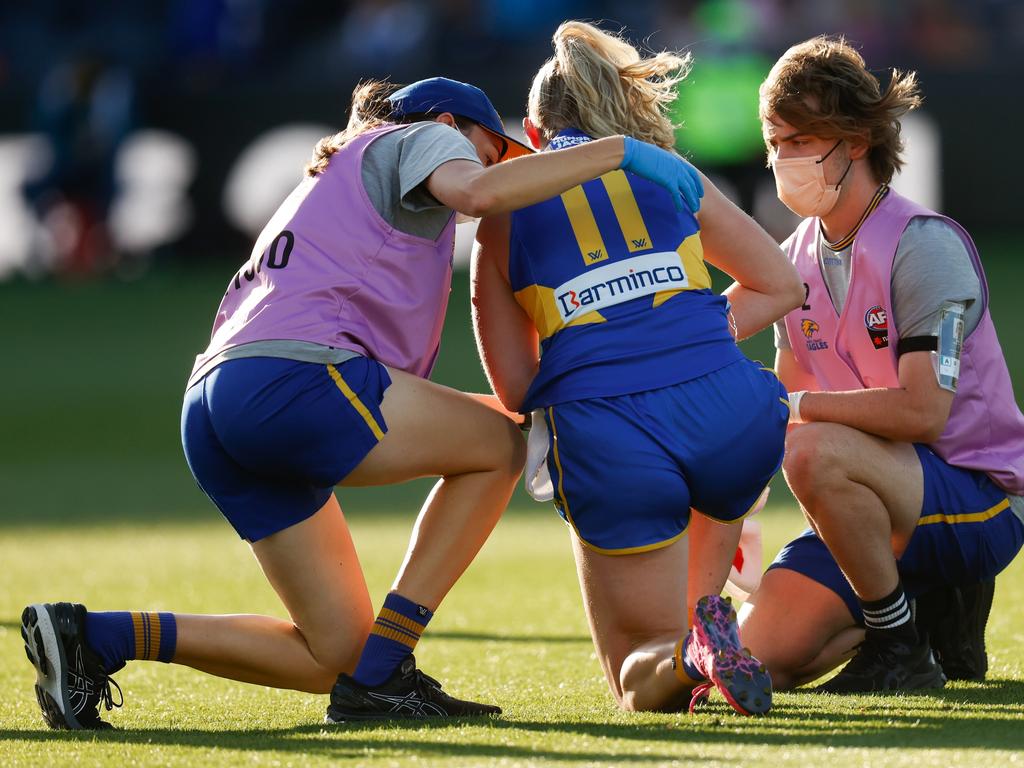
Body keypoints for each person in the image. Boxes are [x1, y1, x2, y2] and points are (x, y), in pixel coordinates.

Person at [20, 75, 709, 729]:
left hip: (214, 403)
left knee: (333, 655)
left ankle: (94, 637)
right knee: (501, 447)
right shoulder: (423, 138)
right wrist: (616, 152)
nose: (503, 168)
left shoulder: (332, 176)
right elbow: (476, 193)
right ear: (449, 124)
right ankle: (387, 671)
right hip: (294, 382)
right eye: (495, 148)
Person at [472, 22, 803, 715]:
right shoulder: (670, 175)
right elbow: (780, 284)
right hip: (735, 414)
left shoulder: (501, 214)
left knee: (636, 680)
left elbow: (515, 389)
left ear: (532, 131)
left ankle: (690, 651)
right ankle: (708, 631)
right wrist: (683, 337)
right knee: (694, 610)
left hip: (610, 426)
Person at [736, 35, 1024, 693]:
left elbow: (923, 413)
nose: (784, 158)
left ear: (858, 140)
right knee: (762, 659)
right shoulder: (791, 258)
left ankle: (899, 648)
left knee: (811, 450)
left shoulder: (922, 246)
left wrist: (797, 411)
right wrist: (733, 504)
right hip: (875, 492)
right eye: (776, 140)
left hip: (980, 494)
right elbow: (780, 398)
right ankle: (916, 610)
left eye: (803, 139)